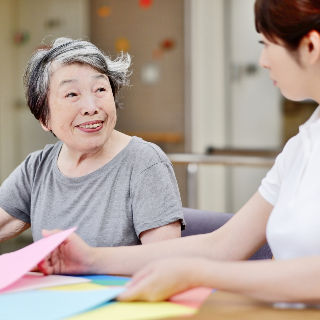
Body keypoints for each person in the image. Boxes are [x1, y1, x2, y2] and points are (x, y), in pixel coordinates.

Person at [38, 0, 320, 304]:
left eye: (266, 44)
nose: (262, 60)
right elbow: (222, 245)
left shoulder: (142, 159)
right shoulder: (302, 146)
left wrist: (198, 273)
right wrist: (89, 259)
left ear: (310, 47)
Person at [0, 37, 185, 247]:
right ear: (44, 118)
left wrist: (88, 261)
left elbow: (164, 260)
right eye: (72, 94)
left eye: (100, 90)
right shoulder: (37, 168)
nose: (91, 107)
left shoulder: (144, 162)